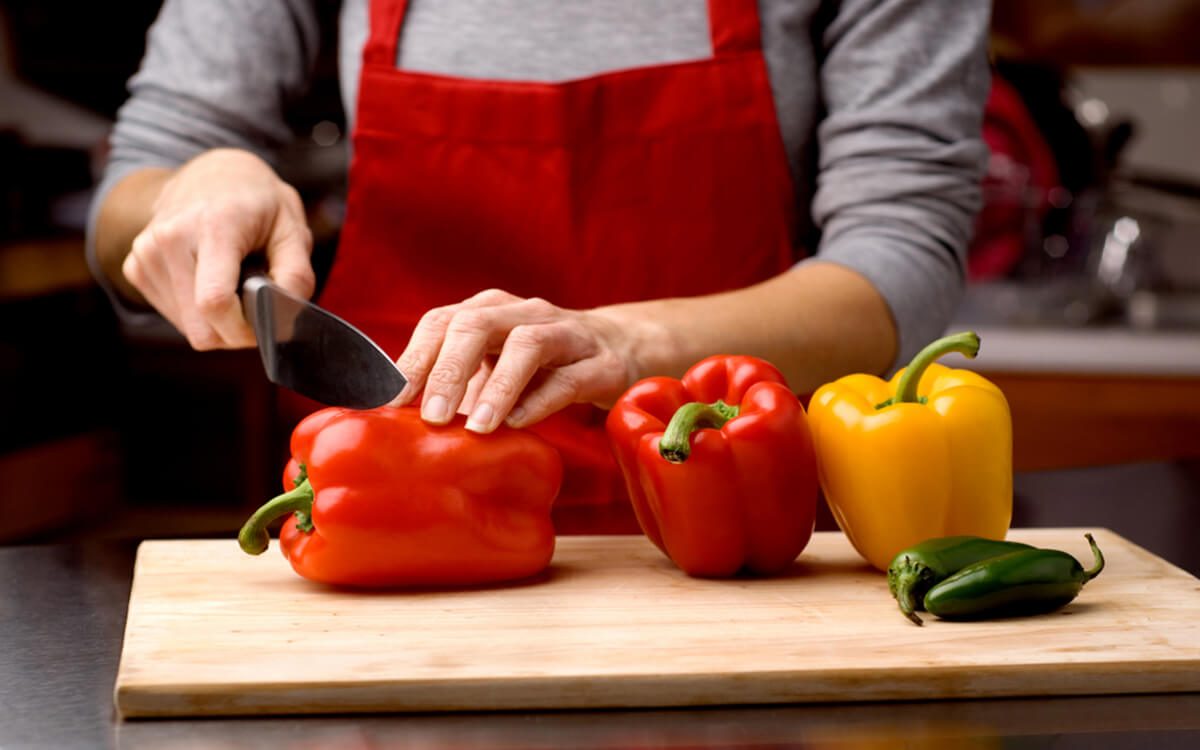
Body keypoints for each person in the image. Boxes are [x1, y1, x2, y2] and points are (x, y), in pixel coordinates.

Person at [87, 0, 990, 531]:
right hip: (386, 533)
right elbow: (128, 201)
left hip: (739, 529)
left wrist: (622, 341)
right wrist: (195, 183)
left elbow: (900, 258)